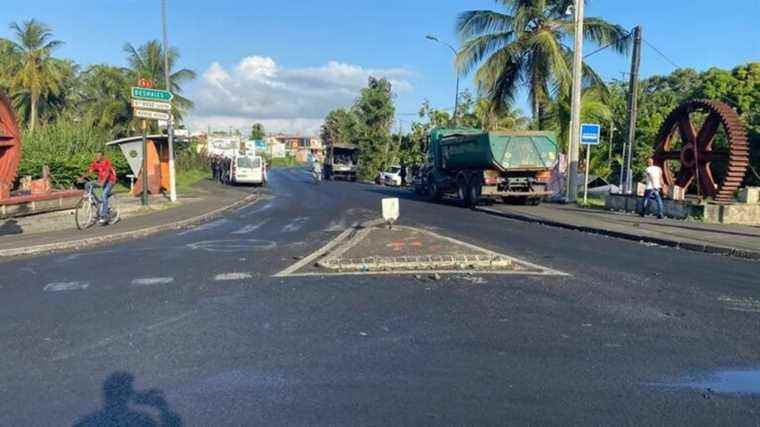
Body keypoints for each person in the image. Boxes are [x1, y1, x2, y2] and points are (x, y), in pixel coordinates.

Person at [81, 152, 117, 225]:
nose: (97, 157)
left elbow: (107, 173)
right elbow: (90, 171)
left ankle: (104, 216)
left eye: (99, 156)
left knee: (104, 195)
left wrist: (103, 182)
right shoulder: (95, 163)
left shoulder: (107, 162)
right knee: (88, 184)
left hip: (110, 181)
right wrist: (82, 177)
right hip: (101, 181)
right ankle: (96, 202)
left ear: (102, 156)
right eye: (96, 156)